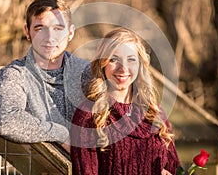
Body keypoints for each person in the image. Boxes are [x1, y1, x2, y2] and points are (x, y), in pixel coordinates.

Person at [70, 28, 180, 175]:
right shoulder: (89, 116)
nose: (123, 68)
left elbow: (175, 169)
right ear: (102, 63)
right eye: (114, 59)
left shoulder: (155, 113)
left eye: (131, 59)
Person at [0, 0, 91, 151]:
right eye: (40, 28)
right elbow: (6, 120)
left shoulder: (88, 73)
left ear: (70, 32)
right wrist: (61, 134)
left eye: (58, 28)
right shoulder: (15, 75)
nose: (50, 38)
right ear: (27, 32)